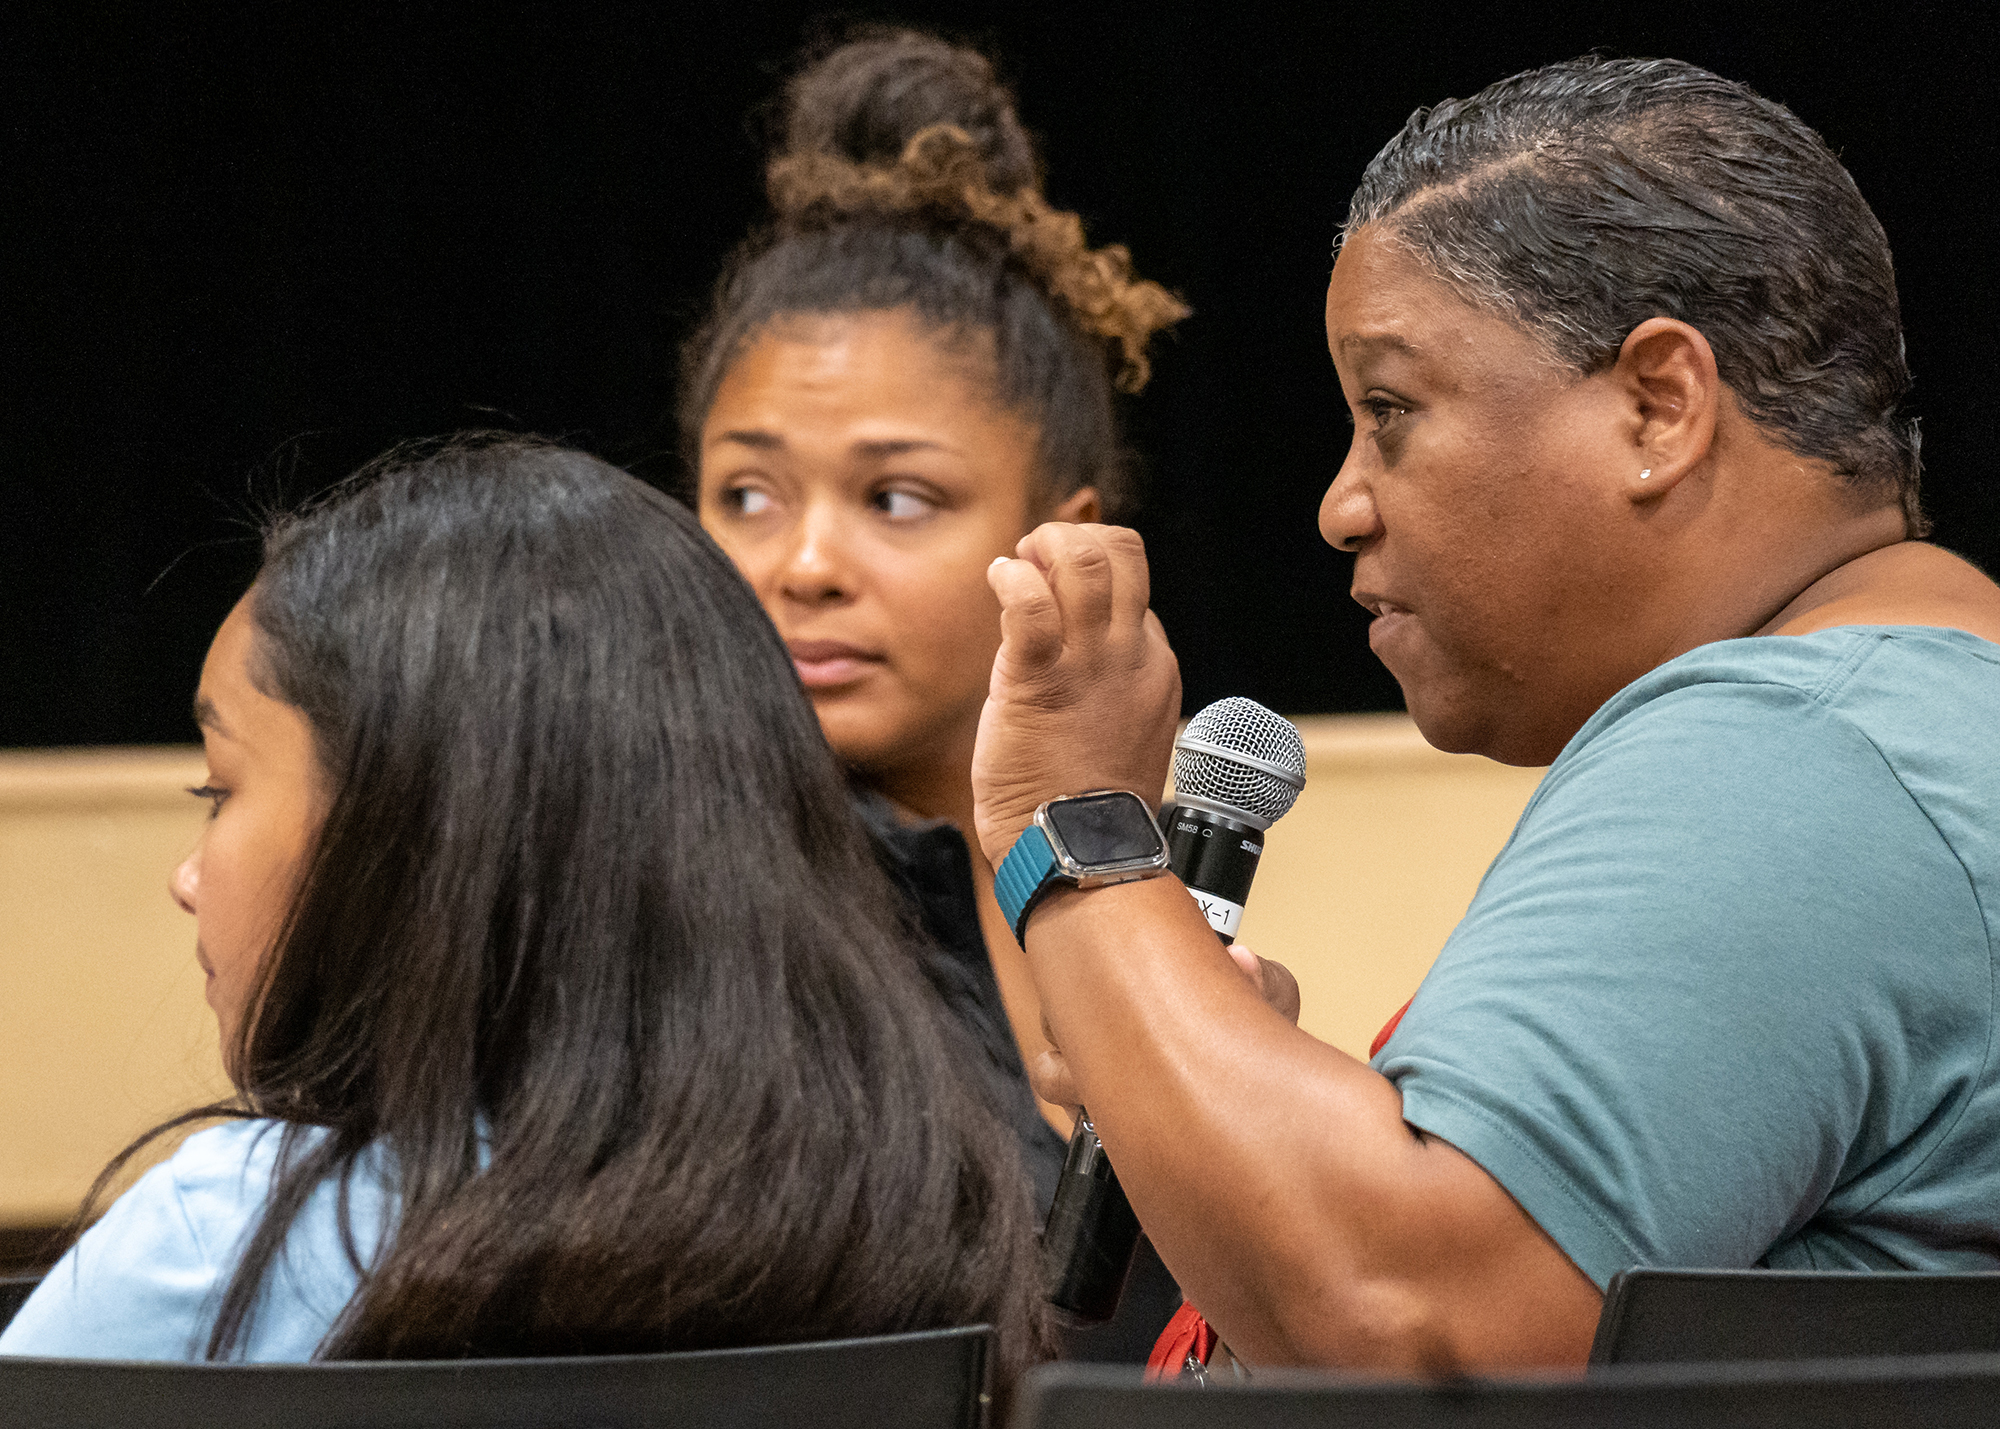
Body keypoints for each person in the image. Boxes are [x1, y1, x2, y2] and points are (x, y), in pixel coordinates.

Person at [963, 56, 2000, 1374]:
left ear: (1658, 405)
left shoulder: (1797, 751)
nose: (1342, 504)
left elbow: (1407, 1321)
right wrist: (1259, 1117)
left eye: (1391, 410)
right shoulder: (1922, 714)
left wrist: (1077, 834)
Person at [0, 435, 1051, 1387]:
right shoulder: (914, 1207)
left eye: (219, 792)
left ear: (406, 841)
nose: (189, 874)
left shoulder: (224, 1242)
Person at [678, 30, 1191, 1357]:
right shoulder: (651, 909)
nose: (801, 565)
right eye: (746, 493)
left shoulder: (1152, 905)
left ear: (1064, 540)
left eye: (895, 499)